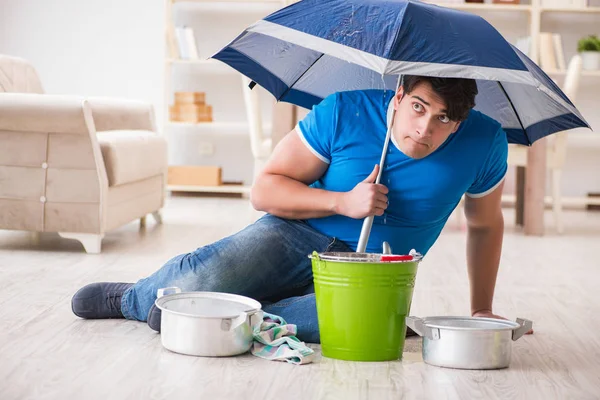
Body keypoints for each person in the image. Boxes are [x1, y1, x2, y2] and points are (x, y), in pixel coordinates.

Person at [72, 75, 509, 344]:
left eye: (445, 119)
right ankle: (135, 298)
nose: (425, 128)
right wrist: (342, 202)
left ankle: (213, 309)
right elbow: (264, 191)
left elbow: (486, 226)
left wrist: (482, 309)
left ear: (463, 119)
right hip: (295, 233)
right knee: (202, 275)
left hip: (377, 266)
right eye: (419, 107)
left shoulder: (485, 142)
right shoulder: (345, 111)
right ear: (398, 95)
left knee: (359, 326)